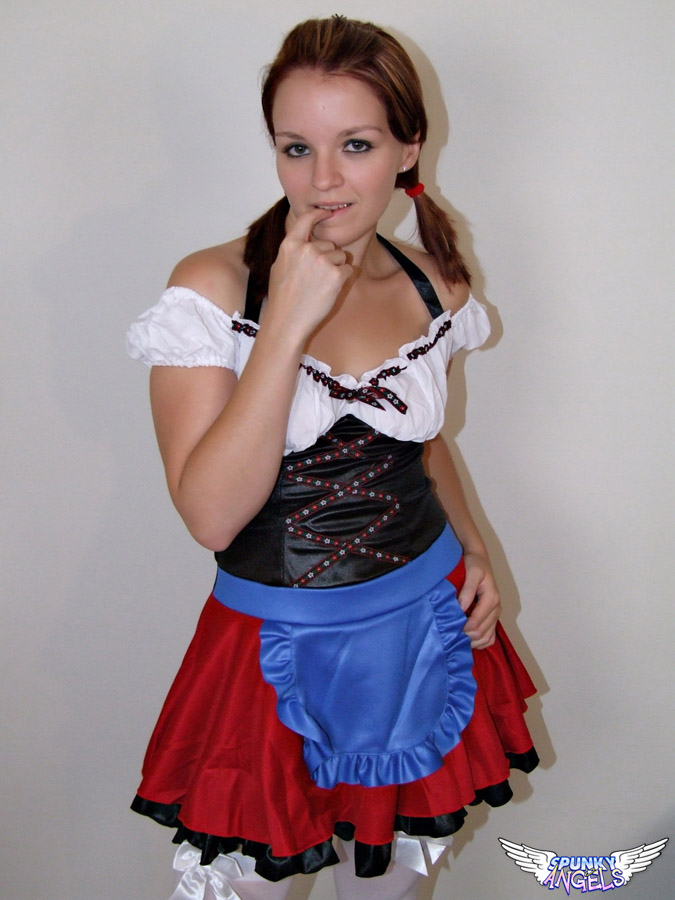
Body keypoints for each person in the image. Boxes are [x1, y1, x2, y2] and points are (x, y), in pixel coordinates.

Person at [126, 16, 538, 900]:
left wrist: (475, 549)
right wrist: (284, 323)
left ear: (406, 148)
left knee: (385, 882)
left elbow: (423, 443)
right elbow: (211, 517)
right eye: (295, 148)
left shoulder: (434, 284)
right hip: (274, 646)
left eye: (355, 144)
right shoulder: (210, 290)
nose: (322, 180)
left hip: (423, 623)